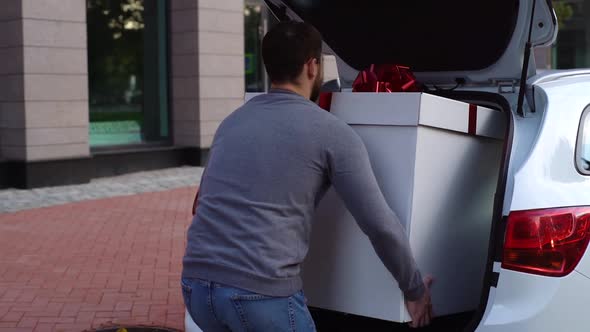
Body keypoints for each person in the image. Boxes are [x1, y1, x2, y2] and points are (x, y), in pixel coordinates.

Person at [181, 21, 433, 331]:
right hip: (259, 295)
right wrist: (414, 290)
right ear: (312, 66)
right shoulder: (331, 131)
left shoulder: (231, 122)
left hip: (195, 287)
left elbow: (200, 203)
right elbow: (380, 225)